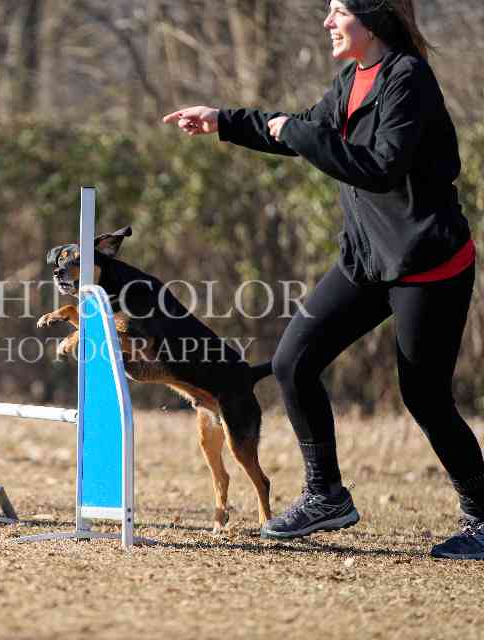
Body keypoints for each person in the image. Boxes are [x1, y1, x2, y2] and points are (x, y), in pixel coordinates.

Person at [162, 0, 482, 560]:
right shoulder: (352, 79)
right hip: (366, 259)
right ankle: (325, 495)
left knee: (425, 396)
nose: (327, 23)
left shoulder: (408, 79)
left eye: (337, 12)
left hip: (426, 263)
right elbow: (302, 130)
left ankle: (482, 517)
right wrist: (223, 121)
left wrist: (301, 133)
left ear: (371, 19)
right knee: (292, 361)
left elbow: (378, 167)